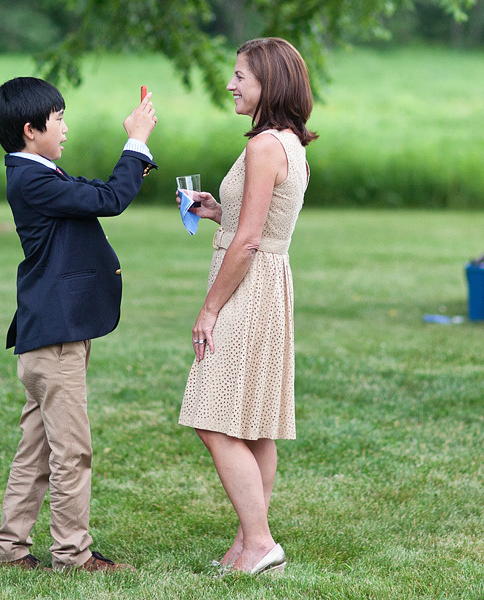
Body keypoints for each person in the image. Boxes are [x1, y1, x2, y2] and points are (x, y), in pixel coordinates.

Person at [0, 77, 157, 572]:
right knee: (72, 454)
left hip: (48, 339)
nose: (65, 127)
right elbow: (109, 200)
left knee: (35, 452)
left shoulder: (38, 172)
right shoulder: (32, 178)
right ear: (29, 129)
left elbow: (95, 193)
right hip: (55, 341)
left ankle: (9, 548)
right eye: (58, 118)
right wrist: (137, 141)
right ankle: (73, 556)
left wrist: (133, 156)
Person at [177, 37, 317, 576]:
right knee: (253, 421)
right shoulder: (288, 143)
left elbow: (250, 242)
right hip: (269, 284)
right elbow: (257, 224)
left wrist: (209, 309)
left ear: (269, 83)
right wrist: (219, 212)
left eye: (241, 75)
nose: (231, 84)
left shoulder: (263, 147)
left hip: (249, 285)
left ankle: (260, 543)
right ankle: (245, 546)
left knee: (212, 416)